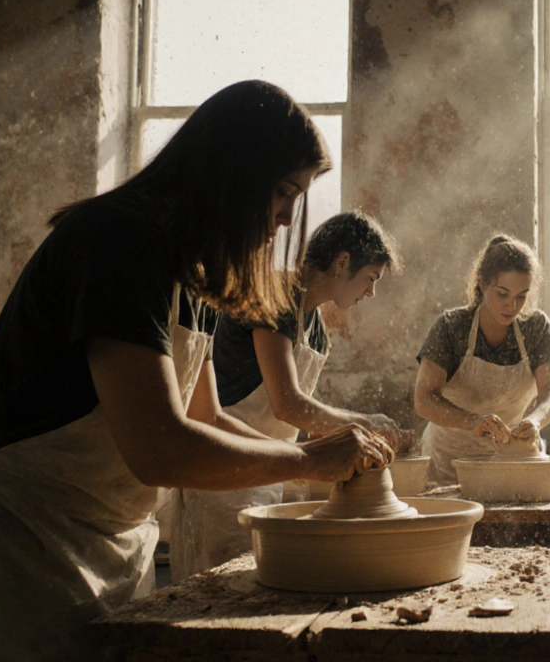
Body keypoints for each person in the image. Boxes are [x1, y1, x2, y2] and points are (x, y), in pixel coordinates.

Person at [0, 81, 393, 661]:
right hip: (19, 537)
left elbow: (206, 416)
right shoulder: (119, 240)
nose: (288, 217)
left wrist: (314, 463)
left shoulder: (194, 272)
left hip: (106, 540)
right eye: (283, 191)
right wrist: (311, 461)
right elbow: (158, 449)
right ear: (231, 171)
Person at [169, 210, 414, 582]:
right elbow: (288, 405)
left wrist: (343, 447)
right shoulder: (276, 298)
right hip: (225, 470)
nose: (371, 292)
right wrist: (363, 424)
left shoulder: (316, 329)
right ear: (342, 262)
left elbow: (302, 419)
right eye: (371, 278)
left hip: (273, 467)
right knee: (223, 592)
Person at [414, 235, 550, 485]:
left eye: (521, 296)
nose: (512, 306)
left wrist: (535, 420)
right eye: (502, 294)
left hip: (511, 460)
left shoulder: (535, 327)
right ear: (482, 283)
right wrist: (472, 421)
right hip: (449, 464)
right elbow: (424, 400)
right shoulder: (451, 328)